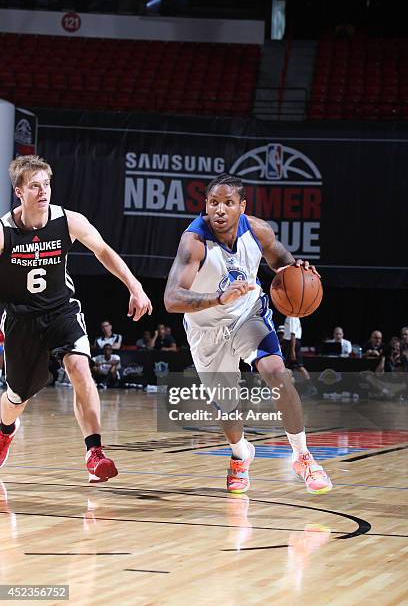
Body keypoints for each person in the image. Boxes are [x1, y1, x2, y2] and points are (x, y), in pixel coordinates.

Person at [164, 173, 332, 495]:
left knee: (277, 372)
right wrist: (217, 298)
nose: (220, 210)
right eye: (214, 203)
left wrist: (299, 271)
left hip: (247, 315)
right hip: (206, 328)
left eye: (228, 203)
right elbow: (172, 299)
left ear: (242, 206)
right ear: (207, 205)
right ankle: (242, 454)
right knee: (229, 409)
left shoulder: (257, 230)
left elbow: (282, 262)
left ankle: (303, 456)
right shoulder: (194, 242)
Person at [0, 155, 152, 482]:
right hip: (21, 320)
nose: (43, 192)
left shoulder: (67, 221)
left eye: (47, 184)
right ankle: (5, 430)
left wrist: (135, 285)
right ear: (18, 192)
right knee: (16, 398)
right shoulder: (4, 231)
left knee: (80, 367)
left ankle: (94, 451)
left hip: (61, 312)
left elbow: (103, 250)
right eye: (34, 186)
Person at [282, 316, 316, 397]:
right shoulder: (291, 317)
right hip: (289, 343)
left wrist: (292, 350)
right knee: (289, 368)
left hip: (292, 343)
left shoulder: (292, 317)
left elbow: (293, 334)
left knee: (299, 366)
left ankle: (311, 387)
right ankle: (289, 390)